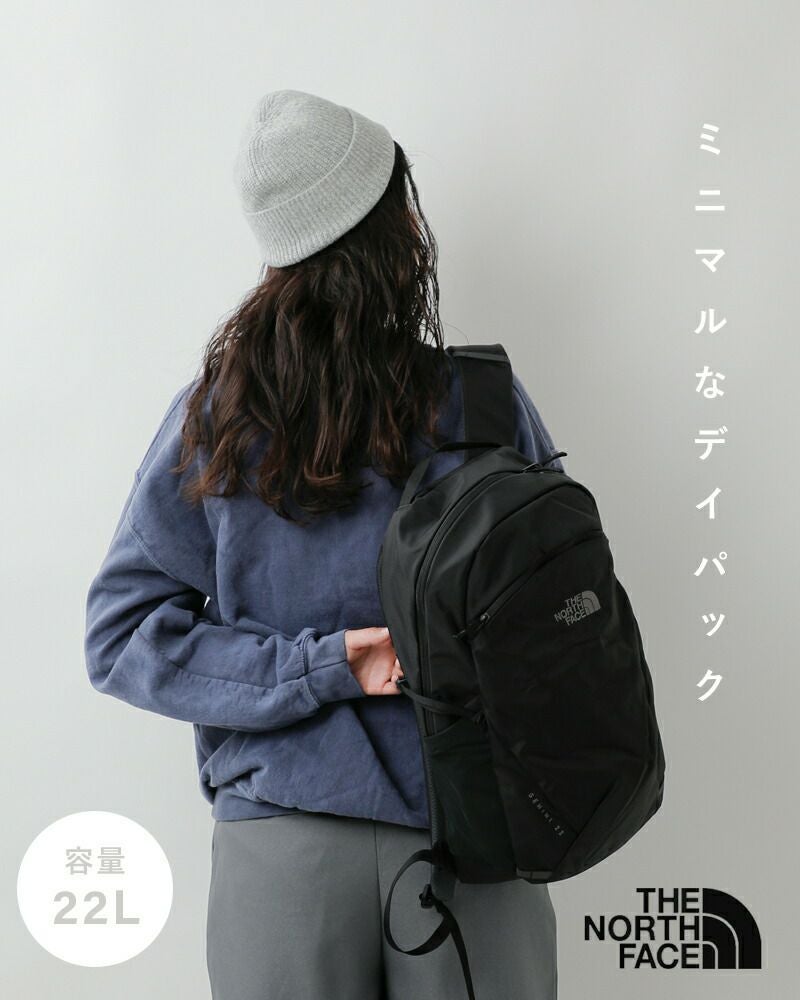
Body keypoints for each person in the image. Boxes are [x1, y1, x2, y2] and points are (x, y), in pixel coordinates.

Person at [84, 89, 562, 1000]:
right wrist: (344, 663)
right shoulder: (478, 403)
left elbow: (123, 634)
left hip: (288, 846)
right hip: (469, 832)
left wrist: (316, 667)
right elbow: (563, 612)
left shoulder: (218, 419)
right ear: (390, 232)